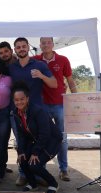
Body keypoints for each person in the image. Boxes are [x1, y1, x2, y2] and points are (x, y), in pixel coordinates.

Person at [9, 37, 57, 186]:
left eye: (24, 46)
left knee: (39, 143)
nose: (21, 49)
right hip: (18, 113)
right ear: (15, 50)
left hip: (37, 113)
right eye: (18, 47)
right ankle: (24, 174)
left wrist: (41, 76)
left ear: (28, 47)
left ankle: (38, 171)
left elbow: (54, 84)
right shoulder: (12, 67)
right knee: (22, 142)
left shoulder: (39, 65)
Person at [33, 37, 77, 181]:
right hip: (42, 105)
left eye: (48, 43)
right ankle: (42, 168)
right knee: (43, 137)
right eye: (43, 43)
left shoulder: (63, 60)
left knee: (61, 138)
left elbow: (70, 80)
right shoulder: (35, 59)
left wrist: (76, 100)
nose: (46, 45)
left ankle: (63, 169)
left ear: (53, 44)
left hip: (59, 104)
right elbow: (20, 60)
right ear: (40, 45)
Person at [11, 81, 63, 193]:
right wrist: (21, 151)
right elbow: (21, 134)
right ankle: (33, 184)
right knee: (23, 160)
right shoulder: (15, 113)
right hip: (36, 141)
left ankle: (53, 183)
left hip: (51, 141)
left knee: (35, 165)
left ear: (27, 99)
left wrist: (35, 152)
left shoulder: (38, 111)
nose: (19, 102)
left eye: (22, 99)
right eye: (16, 100)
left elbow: (45, 133)